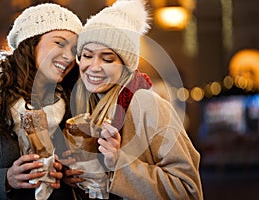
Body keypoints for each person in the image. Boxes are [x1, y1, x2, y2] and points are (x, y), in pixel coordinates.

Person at [63, 0, 203, 199]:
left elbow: (188, 190)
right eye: (87, 55)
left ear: (126, 64)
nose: (94, 66)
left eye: (107, 58)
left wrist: (119, 163)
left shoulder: (148, 105)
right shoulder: (90, 106)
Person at [0, 3, 82, 200]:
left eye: (74, 49)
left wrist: (69, 175)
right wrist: (6, 179)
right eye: (59, 43)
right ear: (30, 43)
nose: (68, 56)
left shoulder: (71, 106)